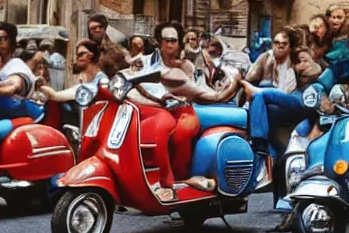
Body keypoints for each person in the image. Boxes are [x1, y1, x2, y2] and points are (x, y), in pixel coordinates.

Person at [129, 22, 240, 202]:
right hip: (154, 109)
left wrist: (230, 86)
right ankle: (152, 180)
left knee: (182, 131)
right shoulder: (144, 63)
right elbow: (133, 83)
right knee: (156, 128)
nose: (170, 45)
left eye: (174, 41)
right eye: (166, 40)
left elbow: (199, 92)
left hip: (183, 111)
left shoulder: (186, 66)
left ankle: (178, 181)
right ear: (159, 42)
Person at [242, 47, 322, 183]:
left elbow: (317, 73)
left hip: (304, 102)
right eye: (298, 62)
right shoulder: (292, 77)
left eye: (305, 60)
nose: (302, 64)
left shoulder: (321, 78)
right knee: (267, 162)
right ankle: (260, 147)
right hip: (289, 110)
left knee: (261, 94)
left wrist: (311, 65)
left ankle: (259, 141)